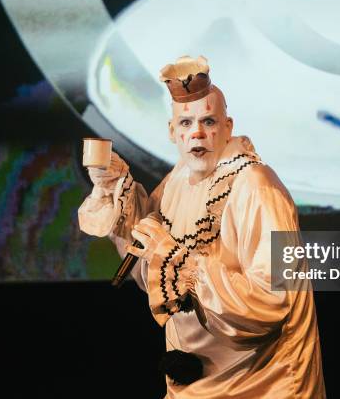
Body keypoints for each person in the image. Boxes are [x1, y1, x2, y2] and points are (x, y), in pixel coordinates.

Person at [78, 55, 326, 398]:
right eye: (185, 124)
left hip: (261, 383)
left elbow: (273, 301)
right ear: (172, 132)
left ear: (227, 127)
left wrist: (185, 264)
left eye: (208, 121)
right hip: (193, 383)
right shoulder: (180, 179)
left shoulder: (257, 186)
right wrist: (115, 184)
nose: (196, 133)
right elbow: (150, 259)